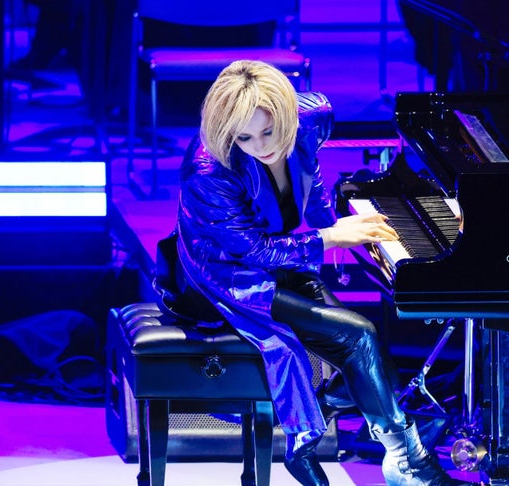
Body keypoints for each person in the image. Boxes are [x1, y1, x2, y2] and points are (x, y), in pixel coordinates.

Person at [154, 60, 477, 486]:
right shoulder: (209, 169)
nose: (260, 146)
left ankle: (328, 419)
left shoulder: (312, 117)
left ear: (288, 116)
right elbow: (253, 250)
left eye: (269, 132)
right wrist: (330, 238)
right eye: (245, 137)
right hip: (221, 280)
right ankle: (406, 462)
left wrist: (340, 225)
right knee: (360, 337)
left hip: (276, 261)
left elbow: (311, 175)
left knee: (366, 350)